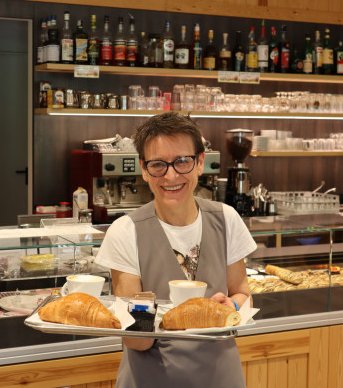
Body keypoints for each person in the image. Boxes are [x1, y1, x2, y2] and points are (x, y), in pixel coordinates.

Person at [95, 112, 257, 388]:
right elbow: (137, 340)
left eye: (182, 161)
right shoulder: (125, 231)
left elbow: (242, 293)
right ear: (144, 169)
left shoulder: (227, 219)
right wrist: (171, 316)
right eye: (158, 164)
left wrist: (232, 307)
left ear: (200, 163)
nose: (171, 175)